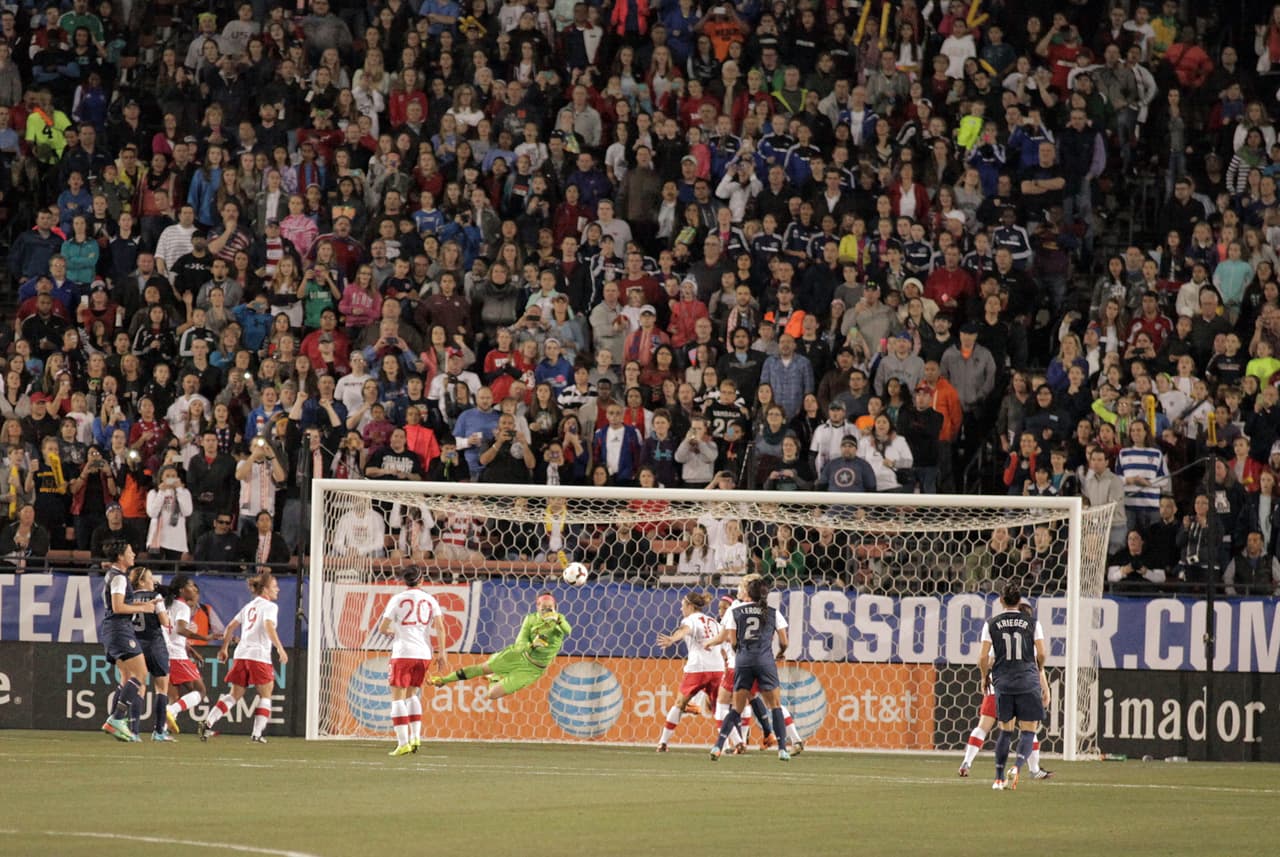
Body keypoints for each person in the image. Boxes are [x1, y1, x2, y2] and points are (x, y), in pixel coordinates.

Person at [958, 600, 1052, 780]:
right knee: (1028, 729)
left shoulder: (998, 635)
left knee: (984, 726)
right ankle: (1033, 769)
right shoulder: (1028, 638)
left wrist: (986, 677)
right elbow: (1038, 665)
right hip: (1022, 687)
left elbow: (986, 659)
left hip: (998, 686)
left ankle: (967, 762)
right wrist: (1045, 688)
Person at [198, 571, 289, 743]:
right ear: (265, 589)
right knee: (266, 694)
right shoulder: (270, 607)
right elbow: (268, 625)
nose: (278, 589)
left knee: (234, 694)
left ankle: (208, 721)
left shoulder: (250, 606)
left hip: (241, 654)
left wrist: (224, 648)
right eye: (275, 586)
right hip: (258, 655)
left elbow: (231, 626)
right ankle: (257, 734)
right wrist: (279, 648)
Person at [429, 592, 571, 702]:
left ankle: (494, 678)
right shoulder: (530, 619)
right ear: (537, 607)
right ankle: (444, 680)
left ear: (555, 609)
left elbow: (568, 630)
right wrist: (532, 645)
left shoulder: (559, 622)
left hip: (532, 669)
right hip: (518, 655)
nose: (546, 611)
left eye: (550, 608)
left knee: (492, 694)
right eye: (543, 608)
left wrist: (558, 620)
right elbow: (520, 644)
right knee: (480, 668)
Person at [709, 576, 792, 762]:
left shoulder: (735, 611)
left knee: (736, 708)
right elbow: (785, 642)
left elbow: (733, 640)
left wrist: (742, 653)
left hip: (743, 661)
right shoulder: (773, 612)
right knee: (775, 706)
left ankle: (717, 746)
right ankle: (782, 750)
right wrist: (780, 653)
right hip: (765, 662)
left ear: (748, 593)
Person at [978, 584, 1049, 790]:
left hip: (1004, 682)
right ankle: (1018, 766)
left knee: (1005, 731)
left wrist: (984, 677)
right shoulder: (1032, 623)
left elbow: (983, 657)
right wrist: (1039, 668)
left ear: (1001, 601)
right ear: (1019, 601)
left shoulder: (991, 623)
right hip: (1027, 681)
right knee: (1028, 730)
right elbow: (1042, 654)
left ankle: (999, 778)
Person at [377, 566, 447, 755]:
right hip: (423, 654)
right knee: (412, 695)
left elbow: (383, 628)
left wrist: (394, 632)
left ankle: (403, 743)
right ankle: (416, 737)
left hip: (403, 653)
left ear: (404, 581)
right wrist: (442, 653)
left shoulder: (397, 600)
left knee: (397, 699)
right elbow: (440, 628)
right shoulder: (430, 599)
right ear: (421, 580)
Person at [98, 539, 159, 742]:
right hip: (119, 629)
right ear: (120, 556)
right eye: (130, 551)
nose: (134, 554)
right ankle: (117, 719)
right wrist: (143, 608)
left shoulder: (113, 575)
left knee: (126, 678)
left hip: (114, 629)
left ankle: (116, 722)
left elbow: (121, 604)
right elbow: (118, 607)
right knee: (140, 674)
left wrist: (142, 604)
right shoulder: (119, 578)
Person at [654, 592, 725, 752]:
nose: (680, 608)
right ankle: (729, 745)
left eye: (682, 605)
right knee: (720, 708)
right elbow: (723, 639)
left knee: (679, 704)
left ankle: (663, 743)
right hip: (718, 668)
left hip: (698, 669)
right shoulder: (713, 621)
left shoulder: (690, 619)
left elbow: (684, 630)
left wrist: (673, 639)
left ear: (690, 606)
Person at [125, 565, 178, 741]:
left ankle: (134, 732)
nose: (153, 581)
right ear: (141, 581)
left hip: (136, 646)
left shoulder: (129, 598)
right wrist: (168, 617)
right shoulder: (155, 597)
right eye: (149, 577)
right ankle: (158, 731)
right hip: (155, 644)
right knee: (161, 689)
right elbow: (164, 622)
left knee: (139, 687)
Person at [161, 574, 212, 732]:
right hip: (176, 656)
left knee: (173, 696)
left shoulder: (165, 604)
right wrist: (204, 637)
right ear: (182, 590)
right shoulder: (182, 607)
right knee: (200, 691)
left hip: (163, 653)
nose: (194, 589)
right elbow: (180, 630)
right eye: (190, 586)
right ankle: (171, 711)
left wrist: (191, 650)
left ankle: (161, 731)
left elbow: (170, 633)